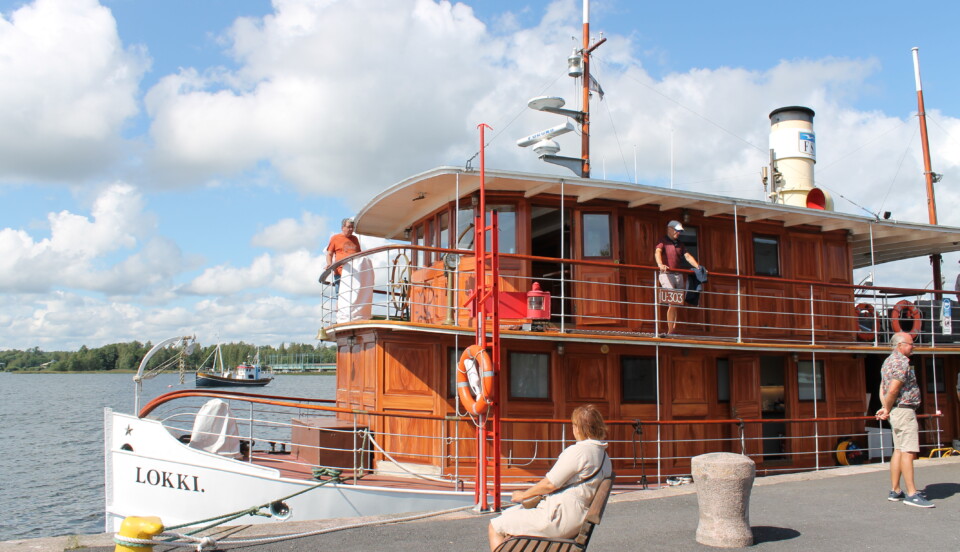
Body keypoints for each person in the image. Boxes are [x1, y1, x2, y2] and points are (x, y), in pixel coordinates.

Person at [488, 405, 613, 551]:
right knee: (511, 517)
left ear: (578, 428)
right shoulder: (604, 457)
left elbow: (549, 484)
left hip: (559, 520)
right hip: (576, 518)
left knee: (495, 526)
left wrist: (523, 495)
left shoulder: (579, 452)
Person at [875, 332, 934, 508]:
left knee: (899, 450)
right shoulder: (901, 362)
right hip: (904, 410)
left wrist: (885, 407)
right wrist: (886, 407)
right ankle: (912, 494)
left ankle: (895, 490)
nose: (913, 346)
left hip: (895, 411)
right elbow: (893, 389)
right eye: (910, 343)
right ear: (900, 345)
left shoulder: (887, 362)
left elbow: (882, 387)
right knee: (908, 451)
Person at [654, 220, 701, 334]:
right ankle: (671, 330)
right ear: (669, 229)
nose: (678, 233)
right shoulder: (663, 241)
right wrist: (660, 265)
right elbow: (657, 252)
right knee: (673, 300)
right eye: (677, 230)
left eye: (679, 231)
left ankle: (672, 329)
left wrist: (699, 267)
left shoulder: (680, 244)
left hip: (678, 275)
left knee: (677, 302)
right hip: (666, 274)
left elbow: (688, 256)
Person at [325, 218, 361, 294]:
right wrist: (329, 264)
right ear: (342, 228)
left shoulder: (355, 239)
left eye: (352, 227)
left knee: (354, 295)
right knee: (340, 296)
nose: (351, 229)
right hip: (340, 273)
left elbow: (359, 255)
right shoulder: (335, 238)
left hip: (354, 273)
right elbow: (329, 254)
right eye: (349, 227)